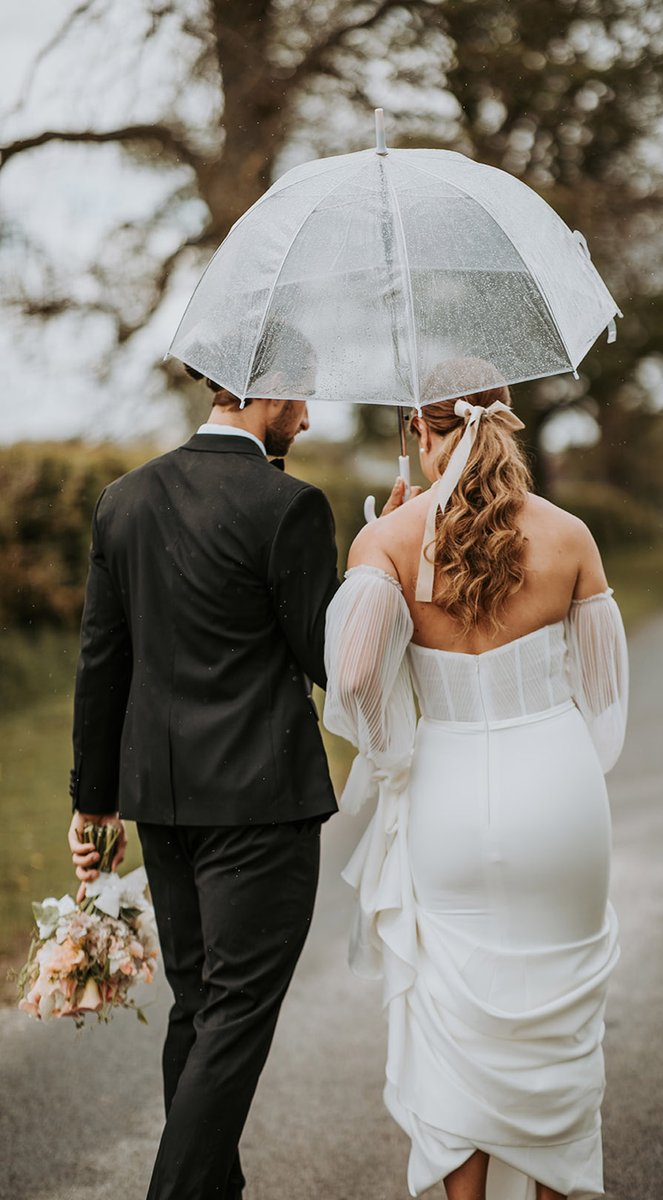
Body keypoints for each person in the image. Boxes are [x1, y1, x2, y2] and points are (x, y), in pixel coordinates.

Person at [65, 351, 407, 1200]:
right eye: (306, 399)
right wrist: (378, 554)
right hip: (259, 809)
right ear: (272, 392)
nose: (311, 417)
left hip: (161, 804)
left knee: (199, 1008)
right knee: (235, 1018)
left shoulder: (124, 499)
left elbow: (101, 661)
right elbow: (328, 659)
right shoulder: (289, 507)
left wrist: (92, 805)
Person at [323, 359, 629, 1200]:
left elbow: (351, 681)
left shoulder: (385, 540)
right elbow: (604, 699)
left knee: (451, 1024)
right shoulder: (570, 536)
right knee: (561, 1025)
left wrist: (396, 750)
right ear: (507, 423)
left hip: (445, 796)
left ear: (422, 435)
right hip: (560, 796)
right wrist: (557, 763)